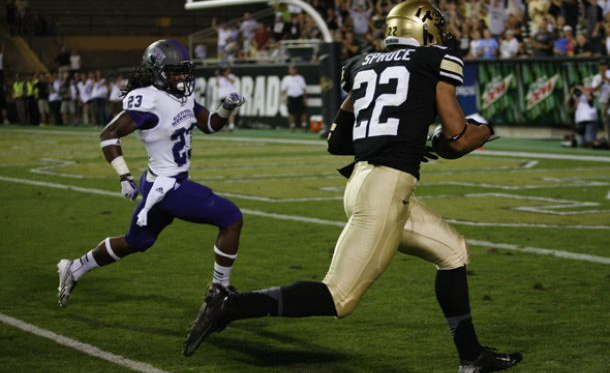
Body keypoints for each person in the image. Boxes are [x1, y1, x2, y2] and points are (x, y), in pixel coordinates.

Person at [181, 2, 523, 372]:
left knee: (453, 252)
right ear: (421, 28)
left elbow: (337, 142)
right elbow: (456, 138)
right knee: (339, 296)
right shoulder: (434, 59)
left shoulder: (360, 64)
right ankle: (231, 305)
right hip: (384, 190)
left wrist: (407, 141)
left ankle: (471, 356)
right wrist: (485, 129)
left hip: (365, 180)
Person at [56, 40, 247, 328]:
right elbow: (108, 135)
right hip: (168, 187)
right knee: (231, 218)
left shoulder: (180, 95)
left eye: (184, 72)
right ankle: (219, 290)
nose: (182, 78)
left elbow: (209, 125)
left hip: (162, 185)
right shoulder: (148, 100)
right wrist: (123, 175)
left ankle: (76, 266)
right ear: (157, 72)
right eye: (175, 73)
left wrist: (226, 108)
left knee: (136, 241)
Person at [281, 65, 307, 132]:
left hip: (299, 97)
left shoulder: (300, 78)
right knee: (291, 112)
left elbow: (304, 89)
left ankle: (304, 125)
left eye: (293, 69)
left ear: (296, 70)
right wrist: (284, 98)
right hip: (291, 97)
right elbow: (284, 90)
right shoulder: (286, 79)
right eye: (290, 69)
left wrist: (305, 99)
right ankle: (292, 126)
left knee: (302, 112)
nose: (291, 71)